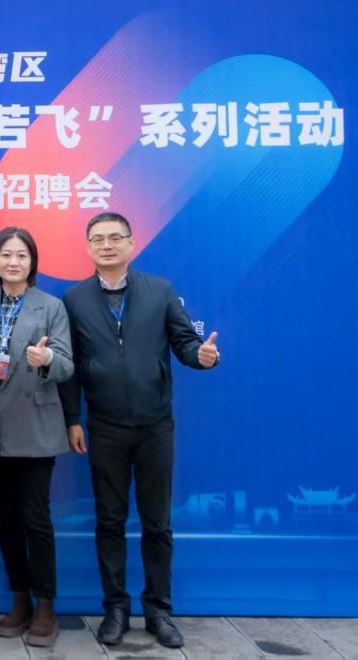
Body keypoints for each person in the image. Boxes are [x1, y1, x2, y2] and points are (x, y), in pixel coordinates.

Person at [59, 211, 222, 649]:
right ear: (88, 247)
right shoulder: (74, 299)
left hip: (155, 428)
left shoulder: (160, 291)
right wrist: (72, 418)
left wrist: (202, 357)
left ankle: (158, 610)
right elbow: (70, 367)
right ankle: (115, 609)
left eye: (116, 238)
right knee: (109, 522)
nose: (107, 245)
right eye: (98, 239)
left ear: (132, 244)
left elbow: (185, 343)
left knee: (157, 523)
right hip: (104, 427)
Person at [0, 227, 74, 647]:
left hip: (34, 426)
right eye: (6, 255)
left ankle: (45, 605)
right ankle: (19, 599)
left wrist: (46, 358)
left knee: (35, 517)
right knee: (5, 518)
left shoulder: (51, 306)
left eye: (21, 255)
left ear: (32, 262)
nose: (13, 262)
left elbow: (66, 364)